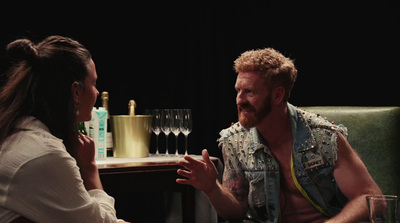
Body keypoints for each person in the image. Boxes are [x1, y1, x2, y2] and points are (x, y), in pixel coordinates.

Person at [176, 47, 383, 223]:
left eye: (250, 92)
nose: (240, 100)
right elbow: (236, 210)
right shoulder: (234, 140)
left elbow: (371, 198)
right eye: (238, 91)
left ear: (277, 95)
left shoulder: (323, 138)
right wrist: (212, 188)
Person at [0, 35, 130, 223]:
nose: (97, 92)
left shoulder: (14, 132)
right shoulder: (45, 156)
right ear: (76, 92)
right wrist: (90, 169)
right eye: (93, 84)